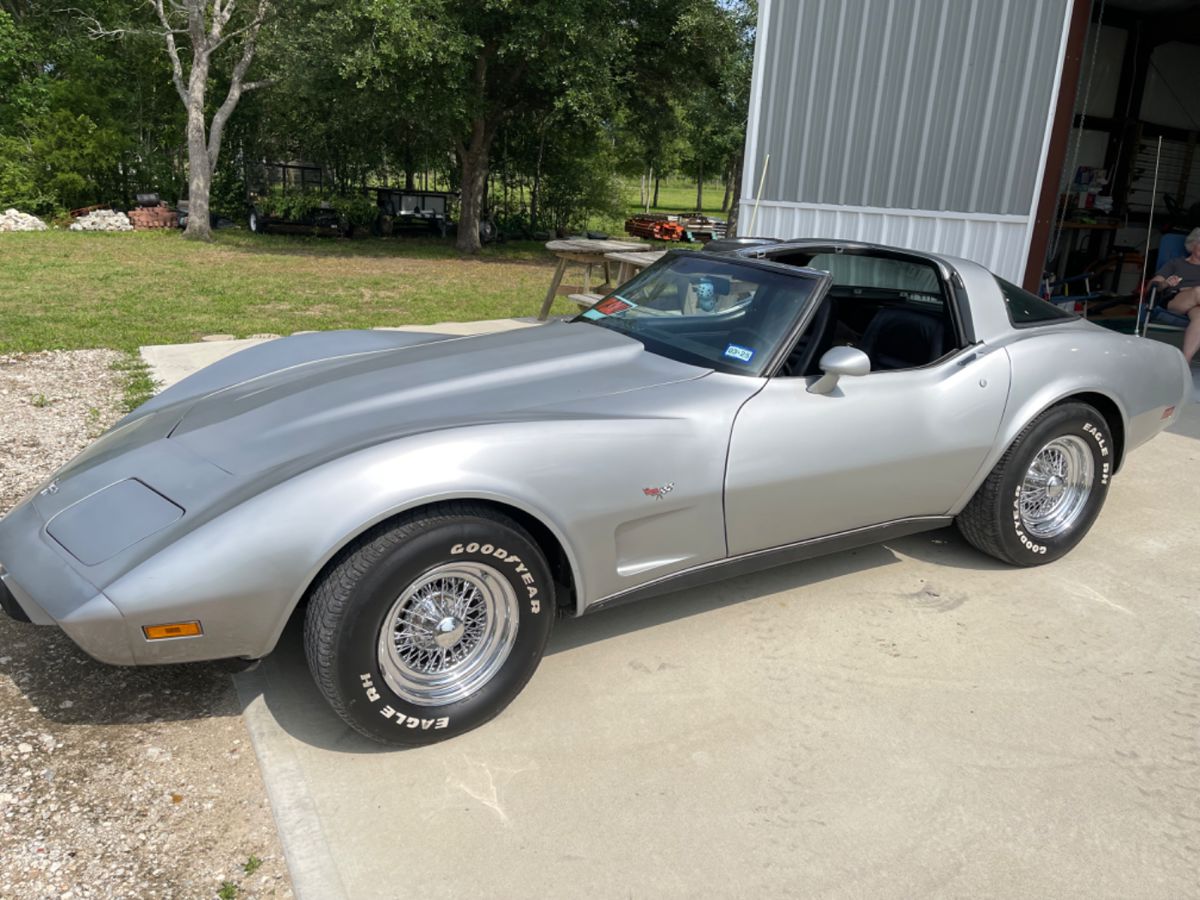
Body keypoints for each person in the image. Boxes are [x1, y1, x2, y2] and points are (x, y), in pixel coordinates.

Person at [1148, 226, 1200, 364]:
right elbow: (1153, 286)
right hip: (1177, 300)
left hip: (1196, 306)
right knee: (1198, 291)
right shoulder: (1176, 263)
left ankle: (1185, 362)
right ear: (1193, 244)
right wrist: (1166, 283)